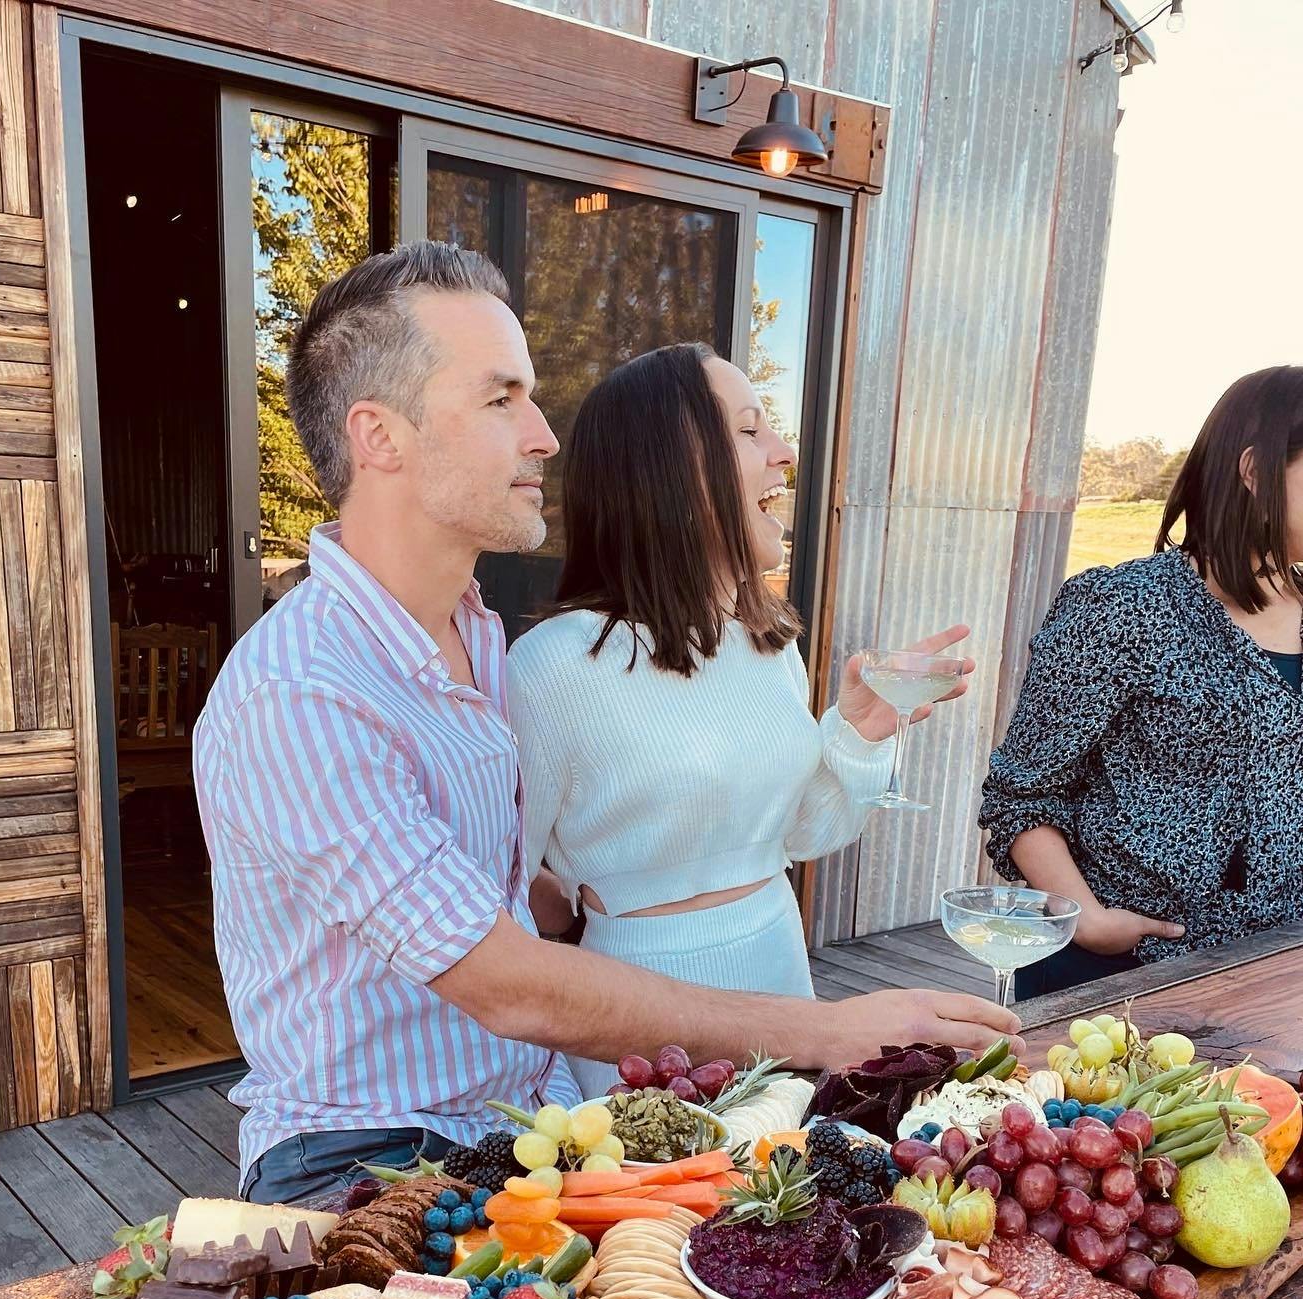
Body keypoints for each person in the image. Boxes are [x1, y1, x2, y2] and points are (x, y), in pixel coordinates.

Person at [194, 241, 1019, 1204]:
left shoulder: (476, 638)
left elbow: (512, 893)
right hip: (367, 1157)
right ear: (381, 436)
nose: (544, 436)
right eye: (502, 399)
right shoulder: (302, 694)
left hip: (527, 1124)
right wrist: (824, 1030)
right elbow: (505, 981)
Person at [506, 343, 977, 1099]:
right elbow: (504, 900)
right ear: (666, 470)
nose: (786, 454)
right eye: (751, 431)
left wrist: (855, 732)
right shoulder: (551, 669)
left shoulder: (765, 642)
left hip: (783, 974)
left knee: (781, 1193)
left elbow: (794, 837)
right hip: (640, 1027)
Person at [980, 365, 1303, 999]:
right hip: (1121, 971)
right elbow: (1022, 796)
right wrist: (1090, 921)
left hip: (1274, 974)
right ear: (1255, 471)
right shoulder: (1120, 606)